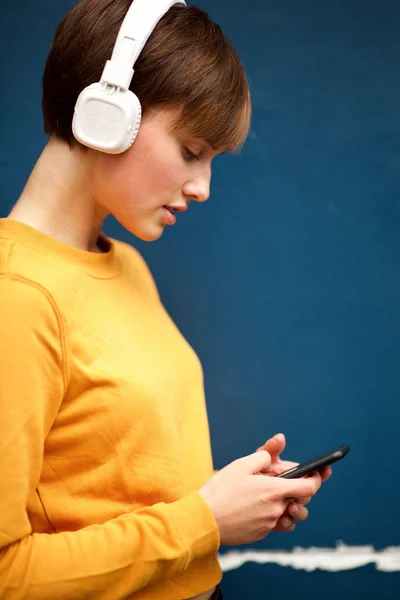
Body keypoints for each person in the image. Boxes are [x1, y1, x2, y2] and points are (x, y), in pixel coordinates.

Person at [0, 1, 331, 598]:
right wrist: (203, 520)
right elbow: (6, 572)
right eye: (191, 150)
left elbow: (118, 486)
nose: (202, 188)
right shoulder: (16, 297)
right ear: (106, 114)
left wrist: (233, 500)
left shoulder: (125, 265)